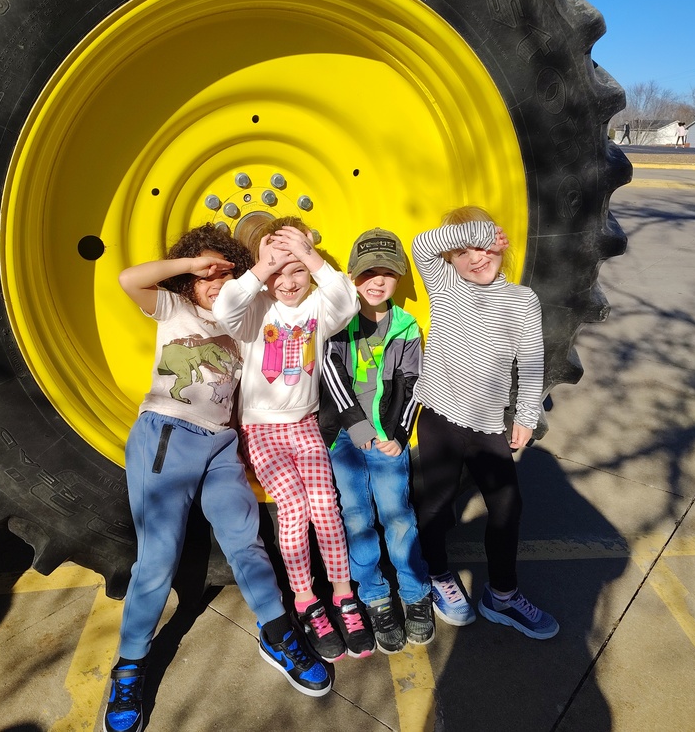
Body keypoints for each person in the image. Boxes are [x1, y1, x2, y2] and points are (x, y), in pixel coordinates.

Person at [106, 224, 332, 732]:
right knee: (158, 559)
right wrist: (189, 266)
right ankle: (129, 666)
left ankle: (277, 633)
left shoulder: (245, 320)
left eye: (224, 271)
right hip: (168, 435)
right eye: (206, 272)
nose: (215, 280)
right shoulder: (175, 308)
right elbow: (128, 278)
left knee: (245, 542)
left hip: (222, 446)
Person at [212, 217, 376, 662]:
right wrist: (264, 266)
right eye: (278, 273)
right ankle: (306, 600)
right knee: (295, 507)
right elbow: (224, 308)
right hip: (261, 430)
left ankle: (343, 596)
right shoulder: (254, 312)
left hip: (303, 425)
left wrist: (307, 254)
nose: (288, 281)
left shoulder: (318, 309)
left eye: (297, 271)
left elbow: (345, 298)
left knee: (326, 505)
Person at [410, 206, 559, 640]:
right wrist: (479, 232)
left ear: (500, 245)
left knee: (508, 506)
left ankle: (503, 595)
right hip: (439, 415)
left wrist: (527, 415)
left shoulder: (521, 301)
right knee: (435, 506)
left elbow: (531, 364)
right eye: (463, 251)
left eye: (484, 247)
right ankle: (439, 576)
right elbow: (423, 245)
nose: (476, 257)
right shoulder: (446, 287)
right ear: (451, 260)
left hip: (487, 424)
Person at [318, 228, 435, 654]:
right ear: (353, 277)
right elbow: (332, 374)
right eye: (369, 272)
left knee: (398, 515)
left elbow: (414, 383)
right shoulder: (338, 323)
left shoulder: (405, 326)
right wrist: (356, 427)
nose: (378, 280)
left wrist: (400, 435)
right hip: (346, 440)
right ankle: (375, 597)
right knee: (356, 518)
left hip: (386, 440)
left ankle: (415, 591)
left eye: (388, 273)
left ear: (399, 278)